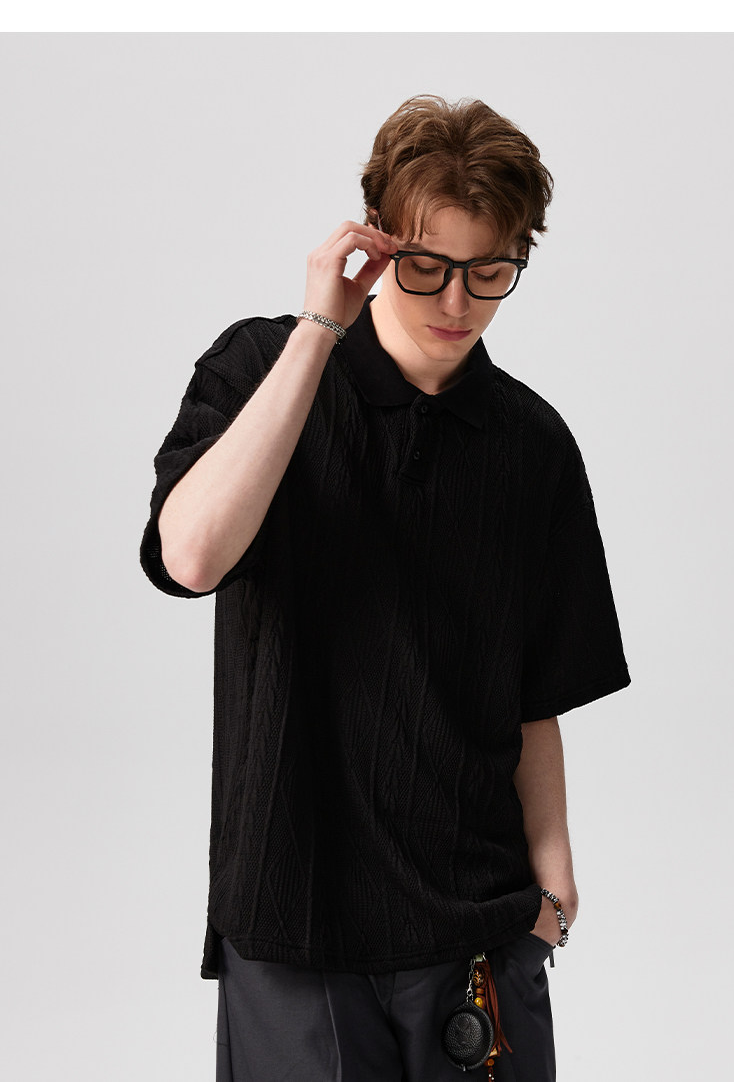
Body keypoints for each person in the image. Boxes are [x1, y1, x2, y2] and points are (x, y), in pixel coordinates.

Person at [140, 95, 630, 1081]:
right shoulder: (260, 366)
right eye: (427, 265)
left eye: (489, 271)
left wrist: (553, 888)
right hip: (291, 923)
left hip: (477, 926)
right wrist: (320, 328)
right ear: (376, 239)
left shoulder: (531, 446)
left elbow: (535, 695)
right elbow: (189, 559)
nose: (457, 301)